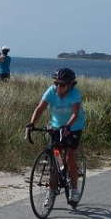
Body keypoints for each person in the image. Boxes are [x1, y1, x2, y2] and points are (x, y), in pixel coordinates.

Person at [26, 68, 86, 203]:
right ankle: (52, 191)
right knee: (56, 161)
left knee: (70, 156)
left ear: (70, 85)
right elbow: (40, 108)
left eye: (62, 84)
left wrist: (68, 126)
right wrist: (31, 123)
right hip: (56, 125)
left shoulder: (75, 94)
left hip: (74, 126)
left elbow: (75, 114)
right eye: (56, 83)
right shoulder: (51, 91)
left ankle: (74, 189)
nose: (58, 86)